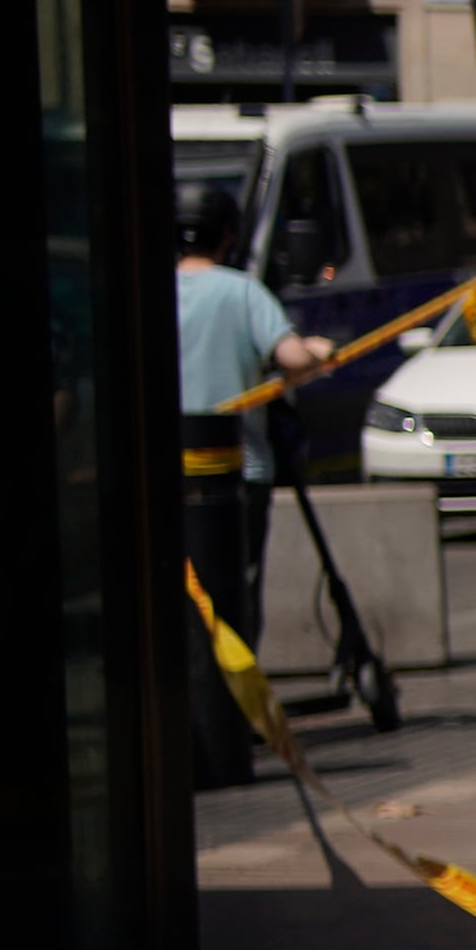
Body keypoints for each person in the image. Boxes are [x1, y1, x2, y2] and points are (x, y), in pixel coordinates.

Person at [174, 236, 331, 788]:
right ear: (224, 237)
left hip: (171, 477)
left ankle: (194, 723)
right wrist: (317, 351)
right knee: (233, 601)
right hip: (240, 472)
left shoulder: (152, 291)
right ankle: (231, 719)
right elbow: (292, 360)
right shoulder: (242, 292)